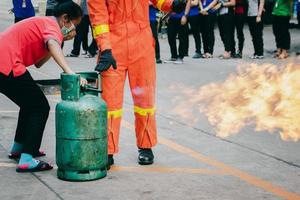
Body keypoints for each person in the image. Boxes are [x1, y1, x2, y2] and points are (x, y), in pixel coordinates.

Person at [87, 0, 189, 169]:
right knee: (110, 103)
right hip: (113, 47)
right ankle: (107, 150)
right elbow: (98, 16)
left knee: (145, 100)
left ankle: (146, 146)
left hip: (142, 44)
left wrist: (172, 4)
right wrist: (105, 48)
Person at [0, 1, 87, 173]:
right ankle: (27, 158)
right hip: (7, 63)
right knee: (40, 107)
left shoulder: (48, 27)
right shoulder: (52, 25)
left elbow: (39, 63)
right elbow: (52, 44)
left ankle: (20, 147)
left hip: (5, 62)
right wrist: (70, 72)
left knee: (29, 103)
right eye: (73, 26)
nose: (73, 32)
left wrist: (61, 40)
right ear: (65, 19)